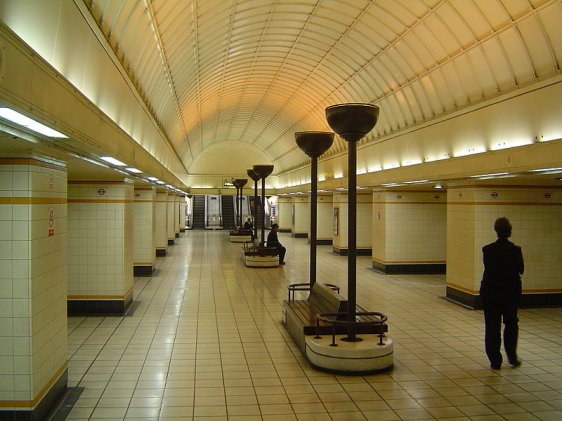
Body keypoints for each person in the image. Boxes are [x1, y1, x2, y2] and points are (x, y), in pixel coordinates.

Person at [480, 217, 524, 370]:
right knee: (511, 324)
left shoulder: (487, 249)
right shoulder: (515, 250)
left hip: (491, 293)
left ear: (496, 231)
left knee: (492, 326)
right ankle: (512, 357)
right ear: (509, 231)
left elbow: (489, 268)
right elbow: (521, 270)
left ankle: (495, 360)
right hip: (510, 293)